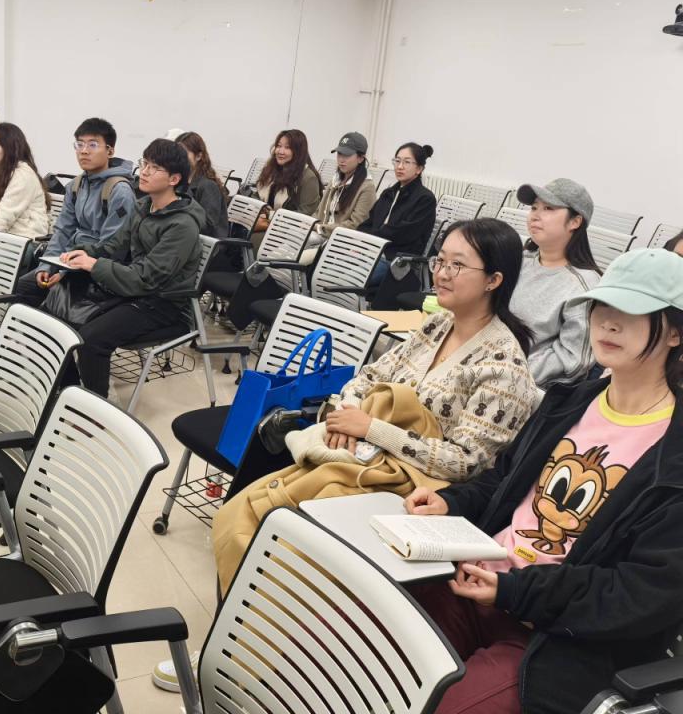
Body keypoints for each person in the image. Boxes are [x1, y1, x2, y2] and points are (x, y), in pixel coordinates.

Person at [153, 217, 538, 694]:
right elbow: (369, 375)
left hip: (418, 488)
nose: (440, 273)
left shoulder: (503, 366)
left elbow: (465, 462)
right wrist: (345, 413)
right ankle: (238, 642)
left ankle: (255, 658)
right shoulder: (436, 325)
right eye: (440, 260)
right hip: (364, 457)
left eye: (458, 265)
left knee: (286, 543)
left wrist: (371, 428)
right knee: (241, 513)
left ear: (494, 280)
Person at [402, 247, 683, 714]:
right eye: (603, 306)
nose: (609, 323)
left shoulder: (674, 457)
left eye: (633, 312)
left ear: (675, 332)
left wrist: (517, 591)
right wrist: (451, 502)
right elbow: (504, 481)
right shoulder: (567, 401)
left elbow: (642, 593)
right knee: (357, 639)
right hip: (475, 584)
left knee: (450, 705)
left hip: (557, 638)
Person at [60, 139, 204, 399]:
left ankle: (93, 410)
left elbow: (147, 278)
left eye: (154, 168)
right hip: (135, 290)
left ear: (174, 179)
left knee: (92, 338)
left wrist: (95, 265)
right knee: (62, 316)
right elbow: (114, 244)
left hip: (164, 304)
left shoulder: (182, 226)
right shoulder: (144, 206)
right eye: (144, 163)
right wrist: (84, 252)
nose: (144, 172)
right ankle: (67, 390)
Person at [11, 117, 135, 306]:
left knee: (49, 298)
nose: (84, 151)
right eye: (79, 144)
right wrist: (46, 266)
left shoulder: (119, 191)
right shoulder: (76, 186)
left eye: (93, 145)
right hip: (67, 261)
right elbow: (63, 230)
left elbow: (112, 248)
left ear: (110, 151)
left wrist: (64, 272)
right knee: (22, 287)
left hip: (96, 268)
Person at [511, 178, 602, 390]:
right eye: (534, 207)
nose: (535, 215)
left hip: (525, 386)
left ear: (574, 222)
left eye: (549, 208)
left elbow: (573, 359)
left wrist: (510, 371)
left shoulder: (584, 286)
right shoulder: (519, 261)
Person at [359, 142, 438, 286]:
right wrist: (359, 240)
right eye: (397, 161)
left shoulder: (425, 199)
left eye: (406, 162)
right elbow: (368, 223)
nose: (400, 166)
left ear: (419, 169)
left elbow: (402, 234)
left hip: (397, 261)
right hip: (372, 252)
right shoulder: (389, 193)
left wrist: (371, 238)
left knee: (350, 277)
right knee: (328, 267)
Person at [300, 130, 377, 262]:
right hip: (321, 236)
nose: (341, 159)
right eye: (339, 154)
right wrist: (309, 223)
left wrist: (320, 228)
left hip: (340, 243)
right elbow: (319, 211)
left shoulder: (367, 187)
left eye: (347, 155)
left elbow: (355, 225)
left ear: (360, 158)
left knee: (298, 251)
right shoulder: (336, 180)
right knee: (293, 238)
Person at [253, 129, 322, 231]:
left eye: (287, 147)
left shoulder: (308, 178)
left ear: (298, 152)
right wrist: (258, 211)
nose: (280, 151)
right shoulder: (272, 170)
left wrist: (269, 217)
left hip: (287, 231)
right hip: (266, 223)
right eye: (279, 146)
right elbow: (257, 195)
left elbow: (305, 214)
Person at [173, 131, 228, 238]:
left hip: (205, 243)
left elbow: (208, 226)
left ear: (198, 156)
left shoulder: (208, 186)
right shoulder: (181, 182)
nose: (179, 158)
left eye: (184, 153)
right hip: (185, 236)